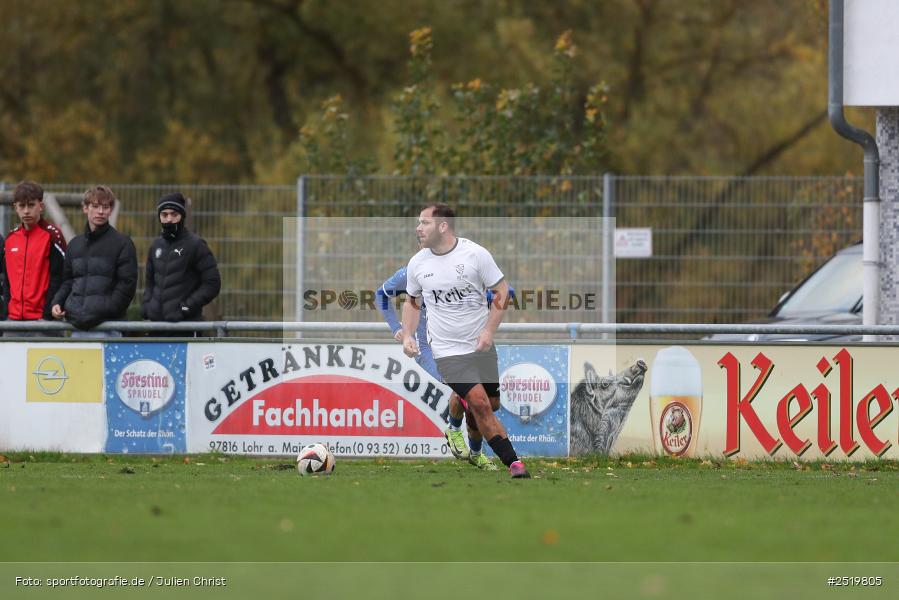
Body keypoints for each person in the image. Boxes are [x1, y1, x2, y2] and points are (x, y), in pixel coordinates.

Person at [402, 204, 530, 479]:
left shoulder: (475, 254)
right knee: (480, 404)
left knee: (490, 405)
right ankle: (514, 463)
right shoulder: (418, 263)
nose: (418, 228)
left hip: (479, 346)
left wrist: (488, 332)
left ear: (443, 226)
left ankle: (462, 434)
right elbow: (412, 302)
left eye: (424, 223)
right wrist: (409, 335)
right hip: (446, 350)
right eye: (418, 223)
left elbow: (502, 291)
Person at [378, 265, 511, 471]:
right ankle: (456, 430)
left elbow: (493, 296)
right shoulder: (410, 274)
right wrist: (397, 328)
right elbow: (382, 295)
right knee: (464, 390)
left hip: (456, 345)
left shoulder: (458, 273)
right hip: (427, 349)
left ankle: (474, 452)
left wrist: (494, 296)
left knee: (476, 397)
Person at [51, 185, 137, 336]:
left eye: (105, 207)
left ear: (110, 210)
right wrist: (57, 302)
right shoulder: (74, 244)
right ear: (85, 208)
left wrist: (104, 310)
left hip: (108, 327)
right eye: (95, 206)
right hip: (77, 327)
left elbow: (126, 286)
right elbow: (68, 281)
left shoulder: (123, 243)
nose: (100, 211)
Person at [141, 192, 221, 335]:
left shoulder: (196, 245)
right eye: (164, 215)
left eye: (174, 214)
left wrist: (186, 307)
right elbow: (149, 283)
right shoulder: (155, 246)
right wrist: (148, 307)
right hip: (156, 328)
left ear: (182, 216)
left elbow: (212, 283)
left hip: (186, 328)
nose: (169, 219)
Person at [2, 181, 67, 337]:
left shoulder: (53, 236)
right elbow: (7, 281)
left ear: (41, 206)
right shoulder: (10, 239)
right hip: (13, 322)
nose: (26, 211)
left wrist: (47, 314)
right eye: (21, 206)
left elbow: (61, 277)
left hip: (44, 322)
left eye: (31, 205)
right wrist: (7, 311)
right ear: (15, 207)